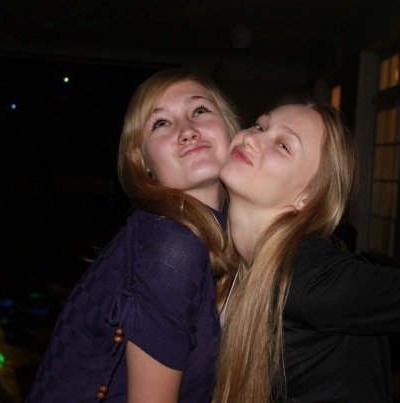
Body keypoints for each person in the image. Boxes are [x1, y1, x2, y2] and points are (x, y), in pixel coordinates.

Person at [213, 98, 400, 402]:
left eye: (284, 145)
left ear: (308, 195)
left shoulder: (312, 281)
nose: (252, 138)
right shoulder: (228, 262)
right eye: (259, 126)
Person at [26, 69, 240, 402]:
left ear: (230, 128)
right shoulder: (171, 245)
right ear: (144, 164)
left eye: (199, 110)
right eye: (161, 123)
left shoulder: (219, 235)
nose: (187, 131)